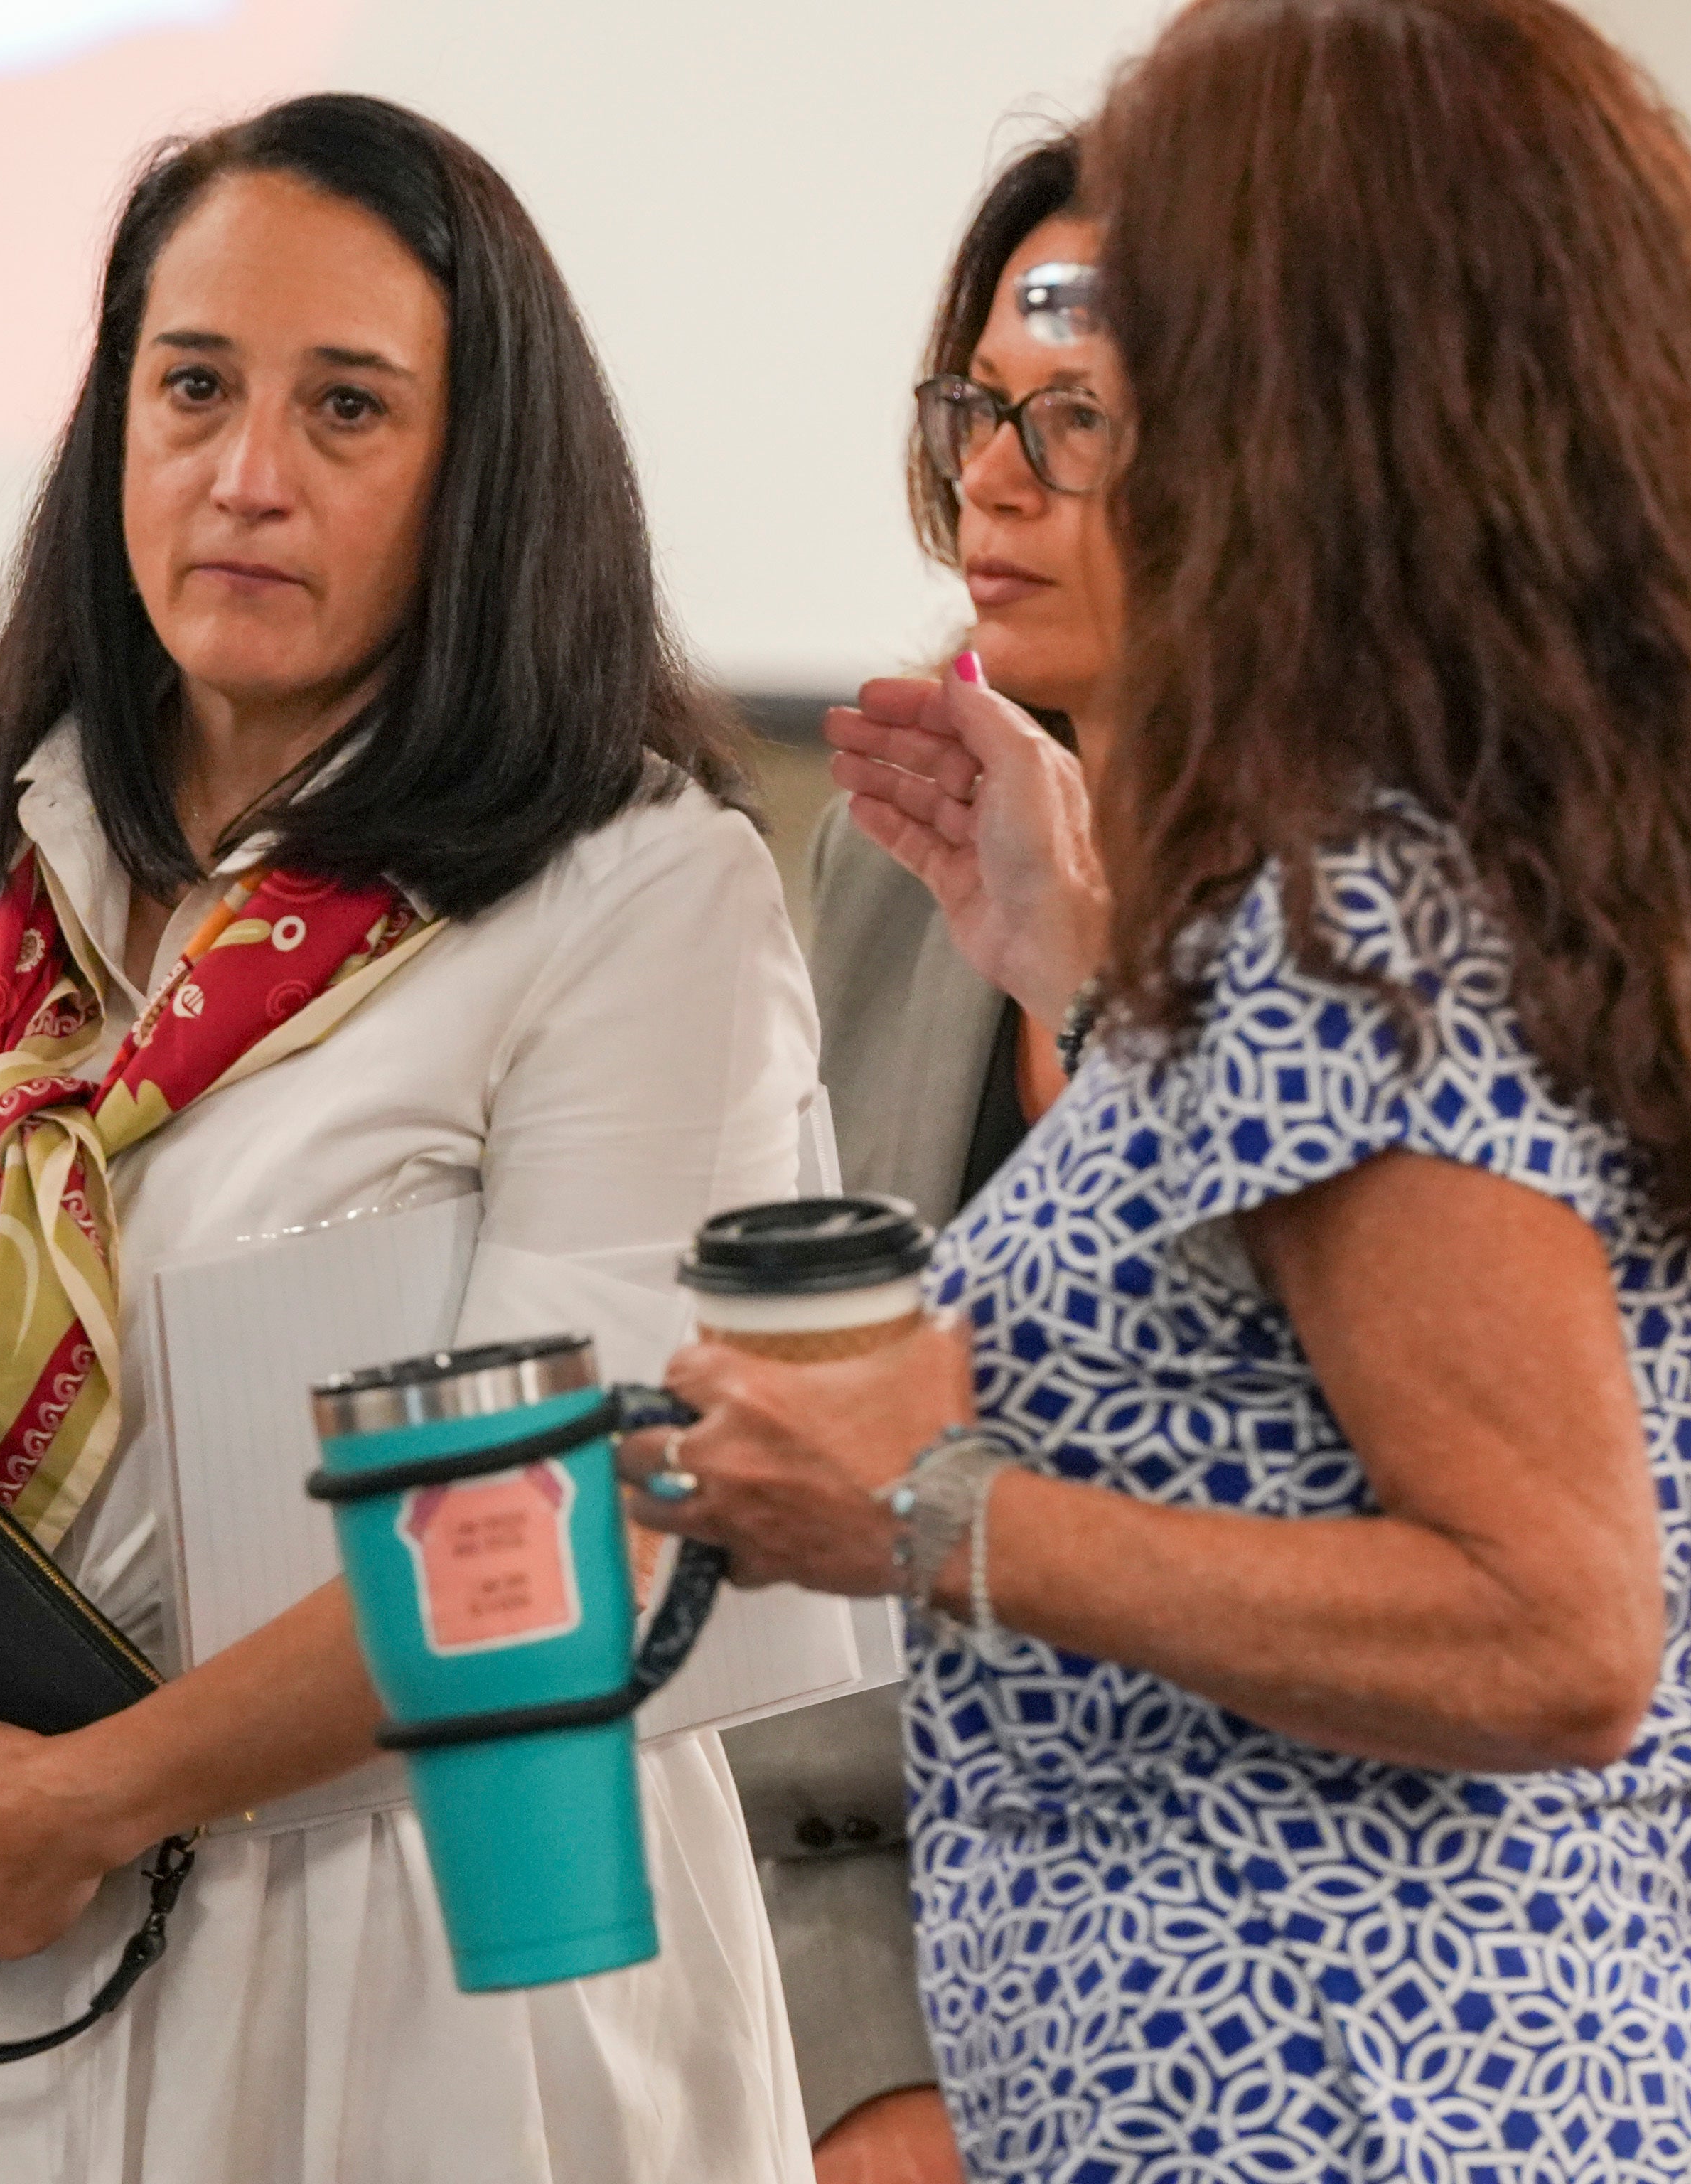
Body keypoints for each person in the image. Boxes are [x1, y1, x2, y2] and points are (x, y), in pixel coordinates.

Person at [629, 0, 1691, 2174]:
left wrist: (924, 1512)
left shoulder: (1351, 897)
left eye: (1122, 375)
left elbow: (1552, 1629)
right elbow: (1296, 1386)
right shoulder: (1395, 870)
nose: (1012, 471)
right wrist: (1093, 982)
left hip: (1364, 2116)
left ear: (1309, 394)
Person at [0, 92, 821, 2184]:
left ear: (482, 474)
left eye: (348, 408)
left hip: (413, 1931)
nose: (247, 477)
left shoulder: (635, 891)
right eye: (193, 388)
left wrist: (95, 1795)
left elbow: (580, 1524)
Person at [724, 133, 1099, 2184]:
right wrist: (867, 2076)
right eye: (976, 412)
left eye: (1081, 422)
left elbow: (1547, 1642)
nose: (993, 483)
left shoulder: (1470, 901)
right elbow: (788, 1609)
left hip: (1324, 2036)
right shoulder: (899, 841)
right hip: (915, 2068)